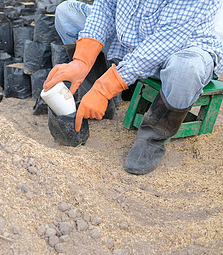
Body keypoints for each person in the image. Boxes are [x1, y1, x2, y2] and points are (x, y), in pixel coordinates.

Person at [43, 0, 223, 175]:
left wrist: (104, 89)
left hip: (181, 49)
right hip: (131, 39)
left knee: (186, 70)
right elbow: (105, 7)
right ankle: (99, 102)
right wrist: (82, 61)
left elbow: (162, 43)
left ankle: (153, 137)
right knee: (67, 13)